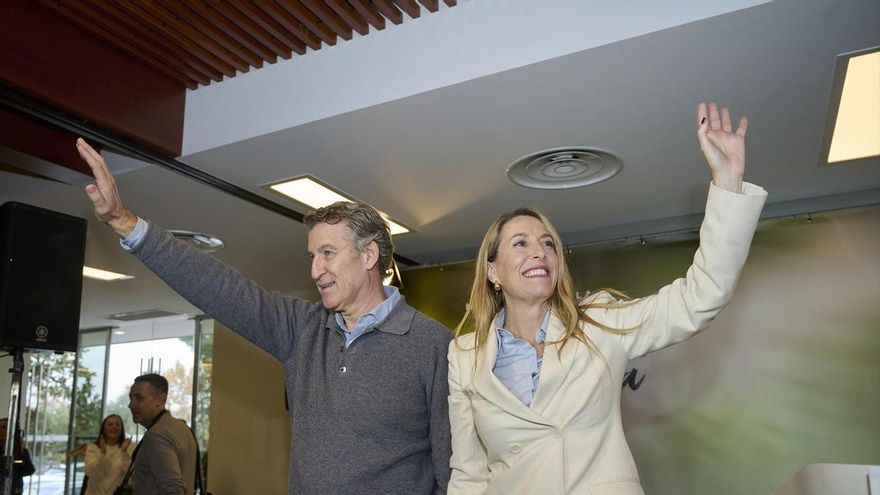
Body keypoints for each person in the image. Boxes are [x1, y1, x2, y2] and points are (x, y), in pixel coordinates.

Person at [75, 140, 452, 494]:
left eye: (328, 253)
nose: (315, 270)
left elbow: (453, 467)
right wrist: (124, 222)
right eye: (312, 256)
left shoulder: (432, 344)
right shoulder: (303, 329)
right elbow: (219, 288)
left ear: (368, 255)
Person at [447, 102, 768, 494]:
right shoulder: (464, 357)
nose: (539, 252)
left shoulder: (599, 322)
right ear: (493, 272)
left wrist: (728, 181)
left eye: (548, 243)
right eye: (521, 243)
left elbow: (701, 297)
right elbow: (468, 473)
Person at [117, 373, 197, 495]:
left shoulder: (157, 434)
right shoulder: (183, 428)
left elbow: (173, 489)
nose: (131, 404)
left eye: (139, 398)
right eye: (131, 398)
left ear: (160, 399)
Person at [83, 414, 135, 495]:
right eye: (110, 424)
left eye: (117, 424)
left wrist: (124, 452)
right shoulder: (93, 448)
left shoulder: (129, 447)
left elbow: (130, 474)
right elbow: (89, 472)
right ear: (103, 429)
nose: (114, 427)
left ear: (121, 428)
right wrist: (102, 454)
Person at [0, 418, 35, 495]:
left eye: (4, 427)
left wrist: (22, 452)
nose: (1, 430)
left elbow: (29, 470)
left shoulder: (20, 450)